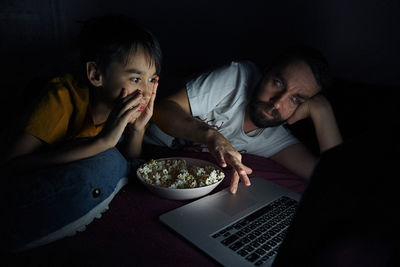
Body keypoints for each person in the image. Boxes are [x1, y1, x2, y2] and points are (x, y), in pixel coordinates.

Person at [0, 14, 161, 251]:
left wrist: (137, 130)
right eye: (136, 78)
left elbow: (131, 159)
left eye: (152, 80)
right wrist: (104, 142)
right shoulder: (61, 98)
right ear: (96, 75)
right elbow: (10, 165)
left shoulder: (131, 107)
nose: (146, 91)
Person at [144, 46, 342, 194]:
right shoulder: (235, 78)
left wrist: (323, 112)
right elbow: (162, 109)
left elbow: (330, 179)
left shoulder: (275, 137)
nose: (277, 102)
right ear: (265, 73)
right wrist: (212, 136)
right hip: (143, 152)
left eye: (296, 99)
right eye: (278, 82)